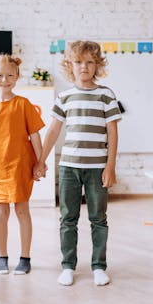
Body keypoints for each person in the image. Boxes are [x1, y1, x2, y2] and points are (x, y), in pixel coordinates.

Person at [34, 40, 122, 286]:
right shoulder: (65, 96)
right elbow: (52, 131)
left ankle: (98, 266)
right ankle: (68, 266)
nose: (84, 66)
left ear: (97, 65)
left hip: (97, 169)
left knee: (98, 218)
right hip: (69, 167)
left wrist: (110, 166)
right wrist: (41, 161)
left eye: (90, 62)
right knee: (68, 218)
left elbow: (112, 132)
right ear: (69, 65)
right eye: (78, 62)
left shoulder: (106, 95)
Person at [0, 54, 45, 275]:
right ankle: (2, 257)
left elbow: (35, 136)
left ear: (17, 77)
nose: (4, 80)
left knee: (22, 210)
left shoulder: (23, 104)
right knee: (0, 212)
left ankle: (25, 258)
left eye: (10, 76)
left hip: (20, 166)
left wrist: (40, 162)